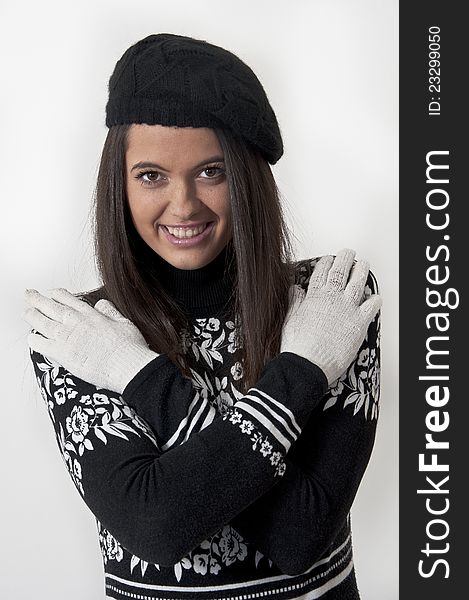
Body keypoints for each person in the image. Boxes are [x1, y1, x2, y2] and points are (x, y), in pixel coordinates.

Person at [23, 33, 382, 600]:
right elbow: (157, 527)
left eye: (211, 171)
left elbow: (300, 536)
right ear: (118, 184)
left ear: (246, 179)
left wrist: (136, 378)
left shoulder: (331, 301)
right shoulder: (81, 334)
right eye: (151, 176)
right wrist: (305, 369)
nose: (184, 204)